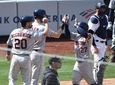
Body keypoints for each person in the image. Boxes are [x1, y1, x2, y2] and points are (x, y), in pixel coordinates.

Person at [6, 15, 49, 85]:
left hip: (15, 57)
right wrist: (46, 23)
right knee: (26, 80)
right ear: (27, 23)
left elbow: (9, 44)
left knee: (12, 78)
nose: (31, 24)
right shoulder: (31, 33)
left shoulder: (14, 31)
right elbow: (45, 33)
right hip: (25, 58)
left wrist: (8, 54)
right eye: (30, 22)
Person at [30, 9, 65, 85]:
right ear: (41, 17)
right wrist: (63, 24)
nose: (45, 17)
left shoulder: (29, 26)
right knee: (35, 78)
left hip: (28, 53)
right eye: (44, 16)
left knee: (28, 76)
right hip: (37, 54)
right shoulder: (42, 28)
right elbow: (57, 35)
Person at [62, 15, 97, 85]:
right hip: (77, 63)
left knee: (92, 82)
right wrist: (66, 25)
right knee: (75, 81)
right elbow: (67, 35)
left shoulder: (90, 36)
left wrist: (78, 26)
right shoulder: (76, 36)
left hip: (86, 63)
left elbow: (86, 35)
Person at [88, 2, 108, 85]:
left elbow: (104, 31)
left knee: (102, 65)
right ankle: (95, 83)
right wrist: (93, 46)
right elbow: (90, 34)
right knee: (98, 65)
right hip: (96, 44)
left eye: (104, 8)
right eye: (101, 8)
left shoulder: (105, 17)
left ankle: (99, 82)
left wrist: (106, 44)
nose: (103, 10)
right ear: (97, 9)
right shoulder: (94, 19)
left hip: (103, 44)